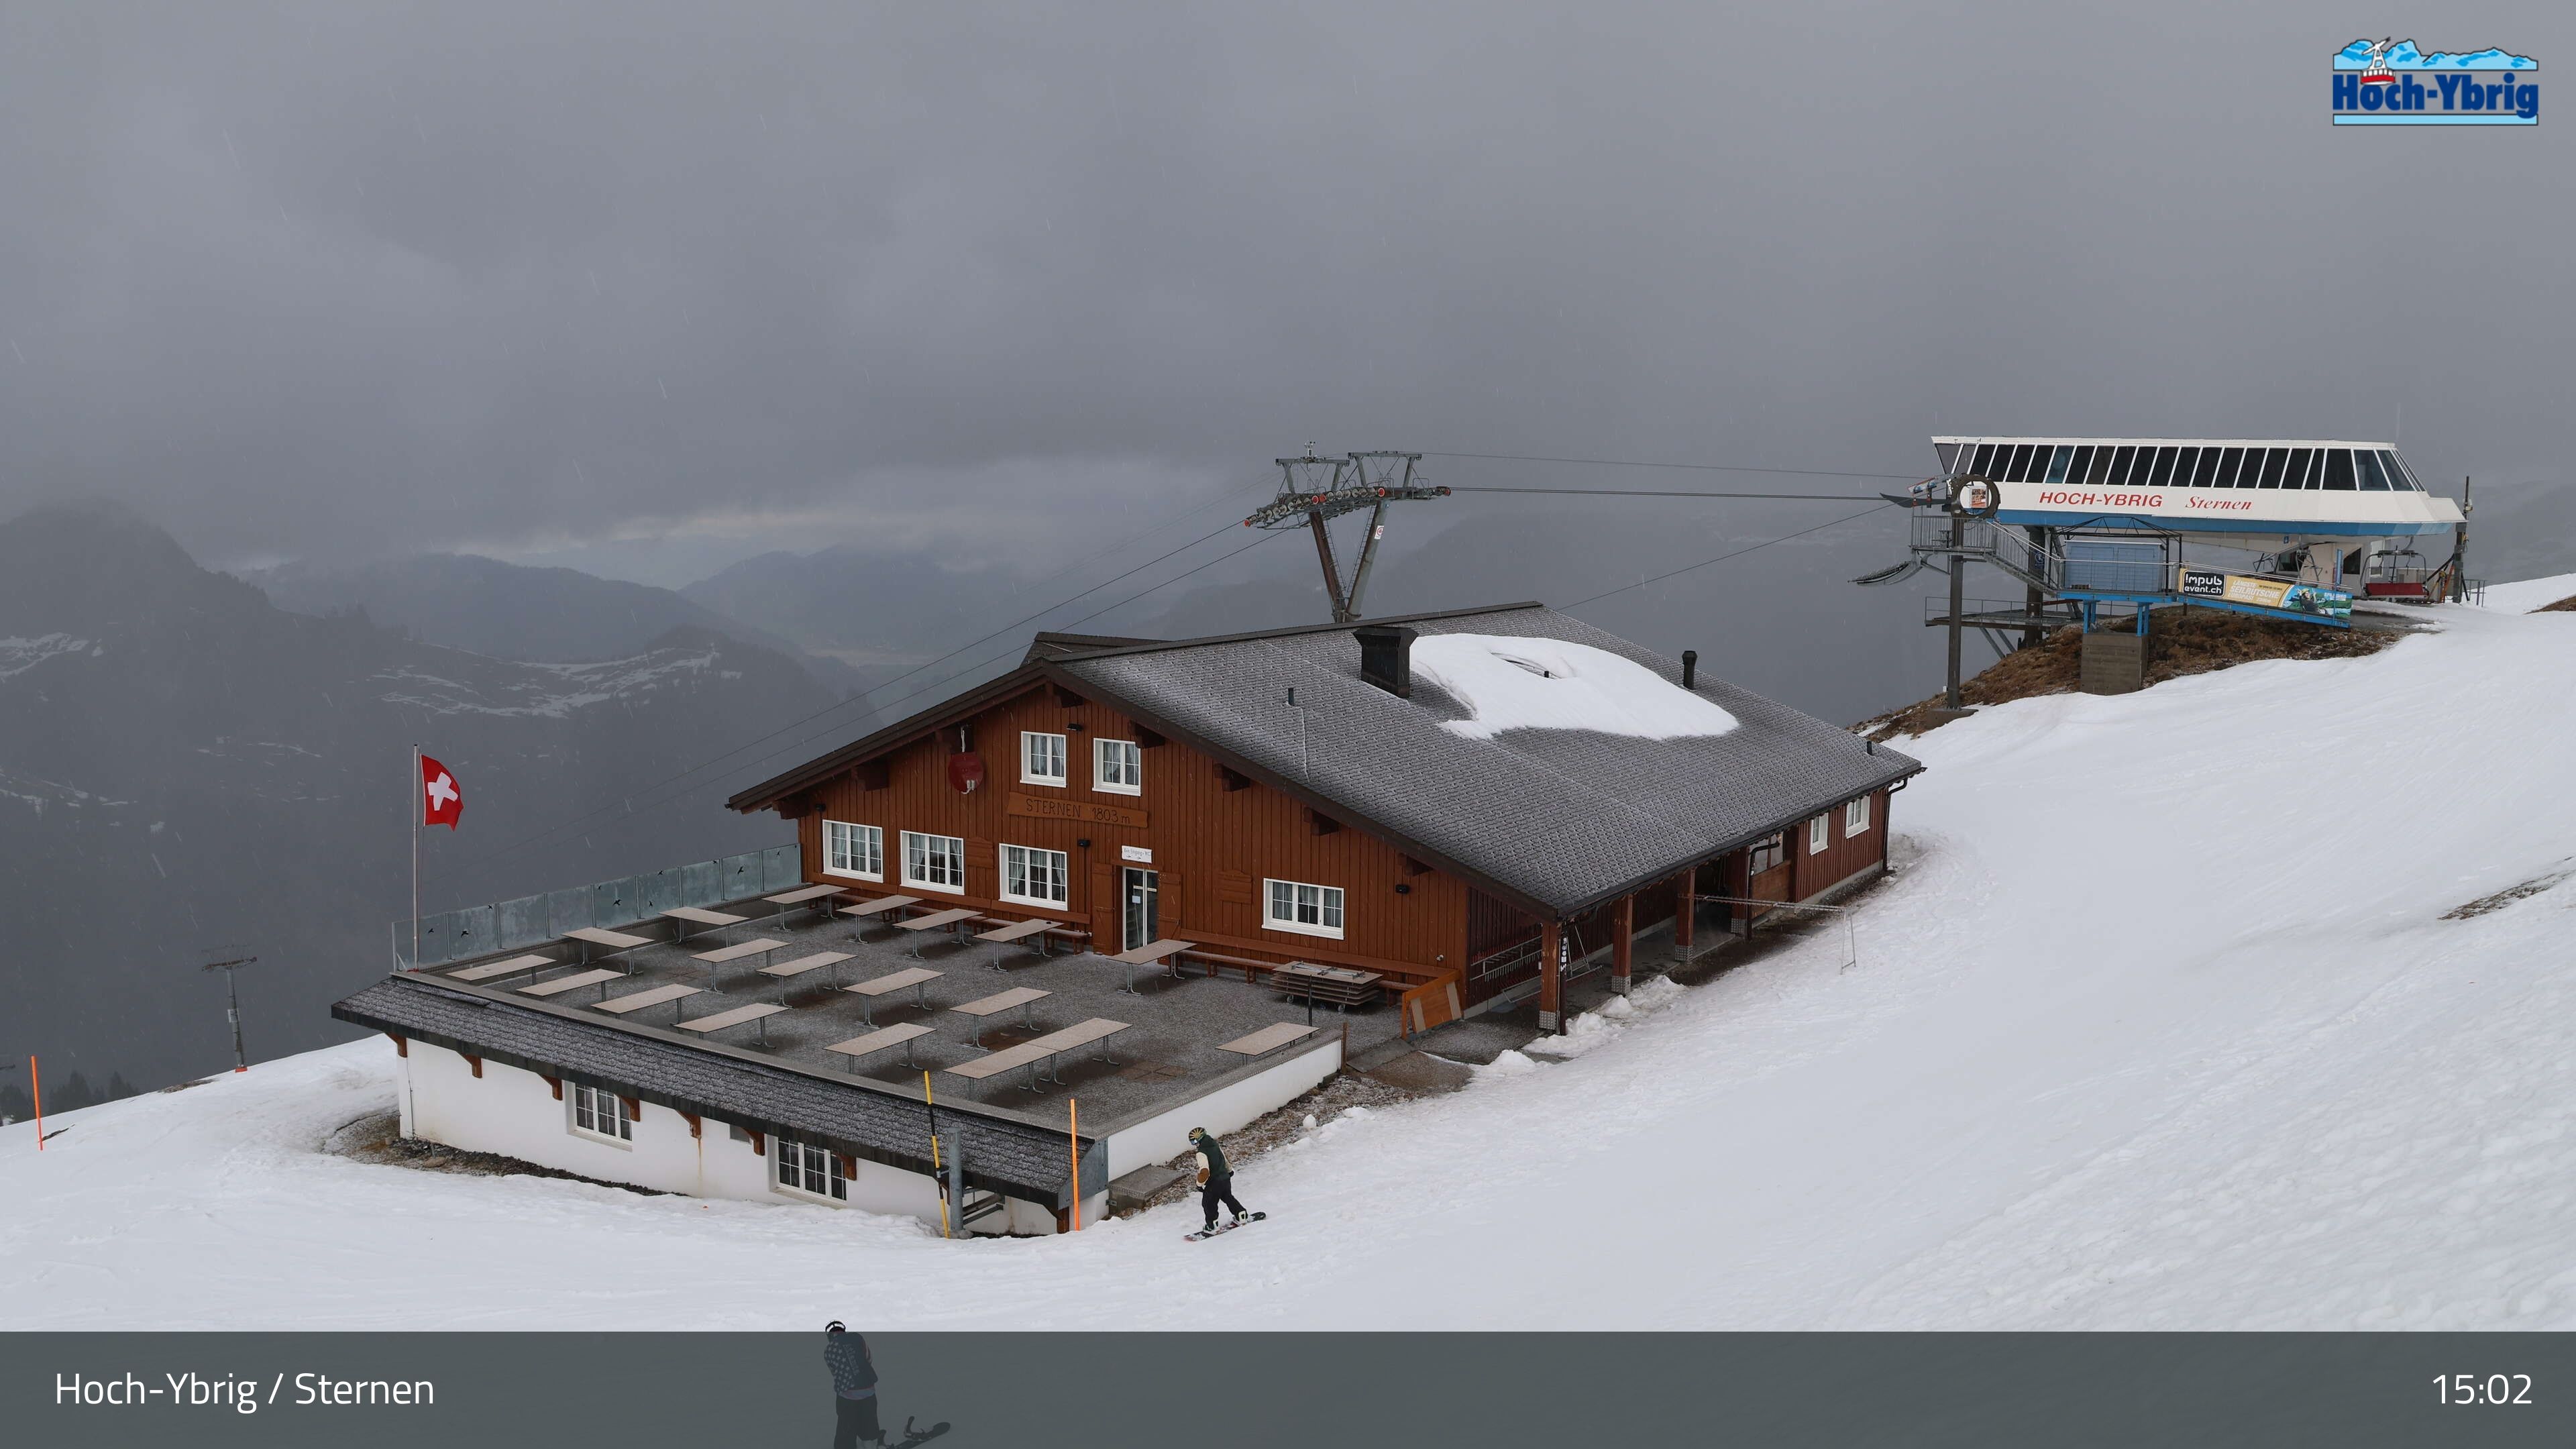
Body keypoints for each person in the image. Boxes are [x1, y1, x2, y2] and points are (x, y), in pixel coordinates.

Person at [823, 1321, 881, 1449]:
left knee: (847, 1422)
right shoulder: (857, 1337)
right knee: (869, 1417)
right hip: (868, 1388)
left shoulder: (828, 1350)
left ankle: (846, 1445)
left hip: (847, 1394)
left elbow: (835, 1372)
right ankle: (869, 1442)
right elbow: (869, 1358)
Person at [1188, 1126, 1249, 1233]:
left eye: (1195, 1142)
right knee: (1228, 1198)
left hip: (1214, 1183)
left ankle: (1212, 1226)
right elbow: (1224, 1159)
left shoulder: (1201, 1153)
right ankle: (1241, 1215)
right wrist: (1229, 1171)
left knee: (1208, 1203)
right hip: (1225, 1179)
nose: (1195, 1145)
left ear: (1200, 1139)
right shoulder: (1215, 1145)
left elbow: (1205, 1172)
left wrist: (1199, 1184)